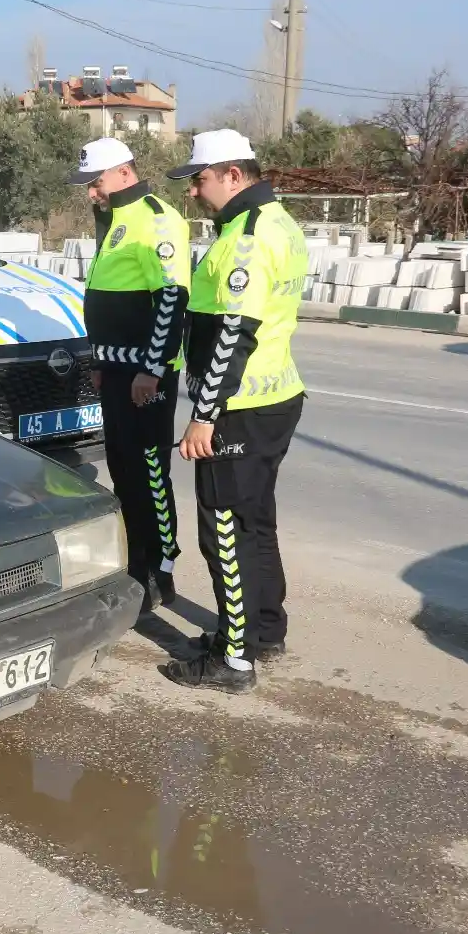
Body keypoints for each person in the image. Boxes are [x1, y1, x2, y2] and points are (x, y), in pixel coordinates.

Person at [160, 130, 307, 694]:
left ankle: (235, 659)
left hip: (239, 408)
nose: (194, 192)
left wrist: (204, 415)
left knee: (223, 531)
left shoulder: (246, 238)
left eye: (199, 179)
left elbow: (233, 337)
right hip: (275, 399)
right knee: (255, 522)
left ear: (233, 175)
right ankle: (262, 631)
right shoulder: (279, 222)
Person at [69, 137, 190, 612]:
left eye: (95, 183)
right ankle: (133, 562)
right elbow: (110, 294)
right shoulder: (115, 218)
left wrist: (152, 369)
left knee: (151, 473)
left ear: (123, 173)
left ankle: (160, 569)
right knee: (122, 468)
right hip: (116, 369)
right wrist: (100, 363)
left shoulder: (157, 219)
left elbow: (170, 299)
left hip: (146, 374)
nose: (90, 193)